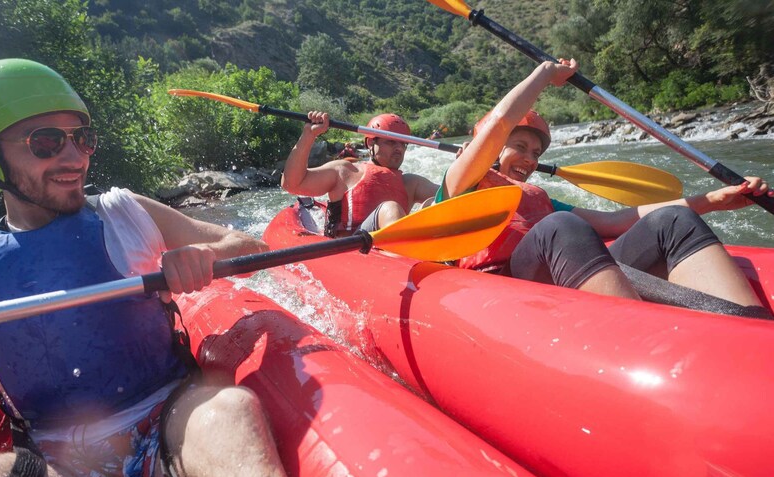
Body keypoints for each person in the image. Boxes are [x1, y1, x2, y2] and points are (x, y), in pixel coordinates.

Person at [0, 59, 312, 477]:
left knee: (232, 412)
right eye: (46, 142)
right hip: (60, 476)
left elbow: (241, 241)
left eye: (81, 139)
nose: (74, 156)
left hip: (171, 430)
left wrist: (203, 256)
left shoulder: (124, 211)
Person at [437, 57, 773, 313]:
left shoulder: (543, 203)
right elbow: (500, 123)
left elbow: (616, 222)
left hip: (564, 270)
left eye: (536, 152)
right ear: (491, 147)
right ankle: (652, 341)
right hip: (501, 293)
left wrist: (712, 199)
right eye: (520, 147)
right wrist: (544, 74)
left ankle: (751, 332)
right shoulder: (462, 182)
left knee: (672, 221)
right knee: (560, 227)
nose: (530, 159)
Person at [281, 112, 438, 237]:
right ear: (370, 143)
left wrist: (462, 163)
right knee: (390, 209)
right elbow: (292, 184)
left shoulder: (411, 182)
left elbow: (453, 195)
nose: (399, 148)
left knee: (433, 204)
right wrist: (309, 135)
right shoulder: (344, 171)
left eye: (403, 143)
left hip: (393, 253)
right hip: (352, 250)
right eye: (391, 142)